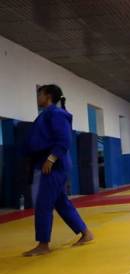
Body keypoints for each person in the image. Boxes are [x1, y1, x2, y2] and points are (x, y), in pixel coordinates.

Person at [23, 84, 93, 257]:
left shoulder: (56, 114)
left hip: (54, 165)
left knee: (43, 203)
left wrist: (51, 158)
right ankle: (85, 233)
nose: (37, 98)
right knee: (60, 202)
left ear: (47, 96)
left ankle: (43, 244)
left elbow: (64, 139)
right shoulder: (47, 115)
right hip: (49, 164)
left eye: (39, 94)